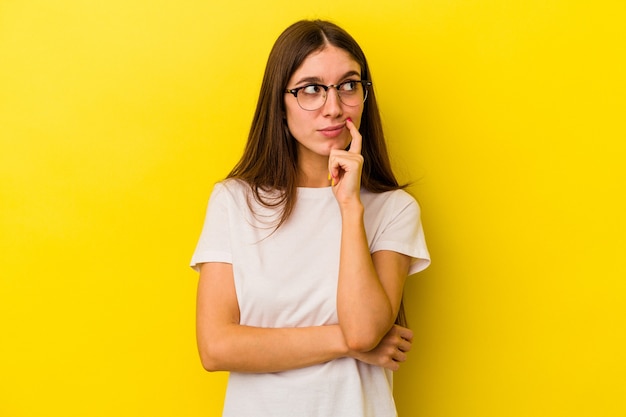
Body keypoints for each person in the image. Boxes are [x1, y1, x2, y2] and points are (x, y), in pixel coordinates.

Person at [190, 19, 430, 417]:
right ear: (280, 104)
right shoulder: (234, 202)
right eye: (312, 89)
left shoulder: (394, 209)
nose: (333, 108)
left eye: (349, 85)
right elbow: (216, 347)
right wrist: (347, 343)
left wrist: (350, 207)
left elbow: (365, 330)